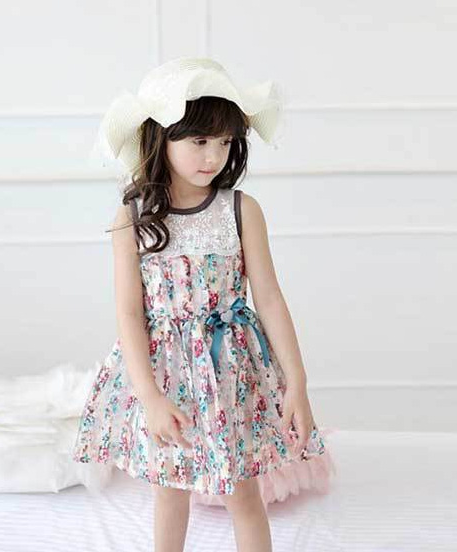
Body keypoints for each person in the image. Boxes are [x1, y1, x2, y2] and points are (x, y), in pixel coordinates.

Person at [72, 56, 335, 552]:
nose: (213, 155)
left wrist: (297, 382)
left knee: (243, 493)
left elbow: (270, 298)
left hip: (230, 372)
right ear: (161, 137)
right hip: (165, 372)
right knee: (169, 490)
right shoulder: (133, 217)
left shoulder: (241, 210)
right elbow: (129, 314)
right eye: (198, 141)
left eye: (225, 142)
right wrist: (150, 396)